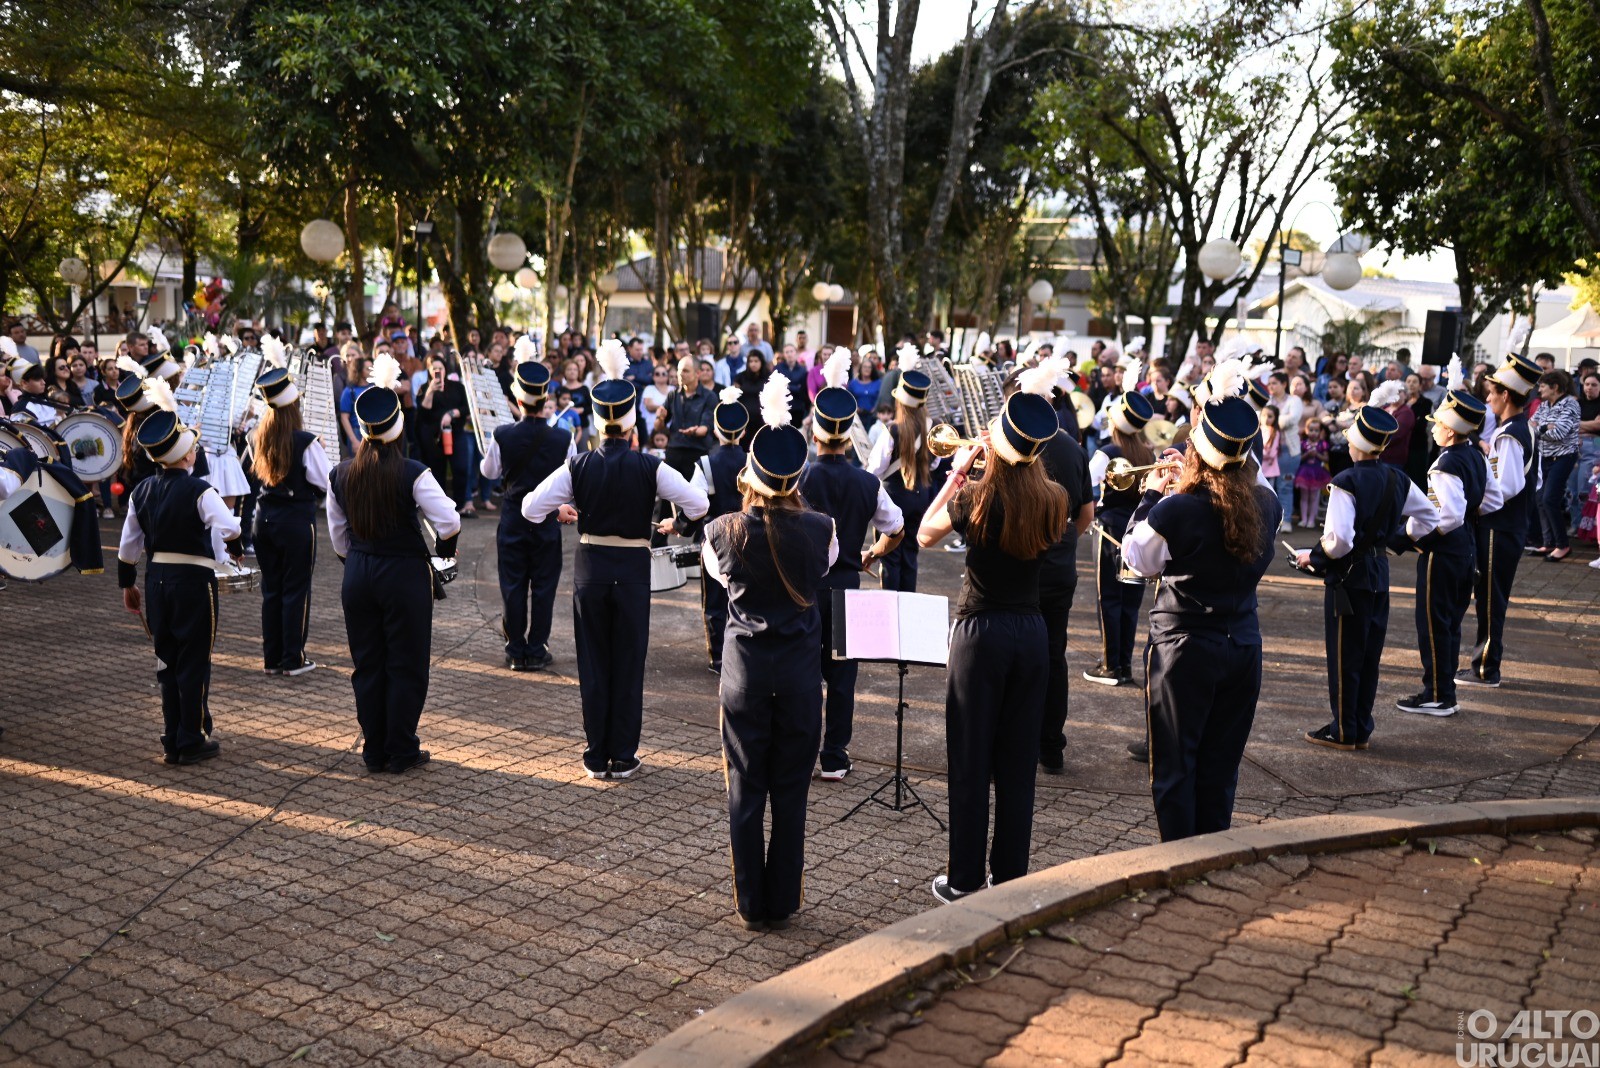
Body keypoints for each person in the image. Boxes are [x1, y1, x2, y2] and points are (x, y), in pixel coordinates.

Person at [523, 340, 709, 780]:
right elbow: (699, 504)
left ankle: (595, 755)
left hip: (590, 569)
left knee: (593, 662)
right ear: (630, 424)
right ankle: (623, 755)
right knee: (628, 663)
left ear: (597, 422)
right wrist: (678, 522)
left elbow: (531, 507)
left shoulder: (578, 465)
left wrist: (561, 510)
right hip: (632, 571)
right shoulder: (651, 467)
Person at [916, 388, 1067, 902]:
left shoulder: (975, 495)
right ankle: (1009, 881)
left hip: (980, 633)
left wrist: (961, 469)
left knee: (971, 760)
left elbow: (923, 535)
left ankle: (963, 881)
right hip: (1032, 634)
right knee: (1018, 763)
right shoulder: (1054, 498)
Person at [702, 375, 836, 931]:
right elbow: (823, 569)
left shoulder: (720, 530)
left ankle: (751, 904)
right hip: (801, 677)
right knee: (791, 791)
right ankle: (783, 901)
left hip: (745, 676)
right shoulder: (823, 528)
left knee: (746, 788)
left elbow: (721, 579)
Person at [1121, 383, 1280, 840]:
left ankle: (1177, 865)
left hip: (1185, 649)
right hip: (1243, 646)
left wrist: (1152, 495)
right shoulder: (1267, 505)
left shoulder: (1175, 509)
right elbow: (1256, 483)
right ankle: (1210, 861)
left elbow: (1137, 560)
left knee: (1174, 768)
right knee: (1220, 769)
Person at [326, 356, 462, 773]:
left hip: (359, 572)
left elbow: (337, 536)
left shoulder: (340, 473)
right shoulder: (413, 471)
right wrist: (445, 553)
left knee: (368, 663)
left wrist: (357, 560)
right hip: (403, 574)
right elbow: (450, 520)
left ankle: (374, 749)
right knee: (405, 662)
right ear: (397, 425)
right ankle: (401, 748)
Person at [1296, 406, 1438, 750]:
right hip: (1379, 573)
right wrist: (1394, 540)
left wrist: (1311, 556)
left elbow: (1339, 541)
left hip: (1349, 578)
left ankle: (1344, 730)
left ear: (1355, 442)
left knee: (1345, 656)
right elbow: (1430, 517)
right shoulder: (1397, 478)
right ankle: (1360, 726)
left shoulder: (1346, 481)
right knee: (1369, 655)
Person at [116, 399, 244, 765]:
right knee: (194, 658)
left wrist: (129, 584)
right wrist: (234, 548)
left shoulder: (140, 491)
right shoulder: (199, 491)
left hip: (155, 579)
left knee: (166, 657)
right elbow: (230, 525)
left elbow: (128, 546)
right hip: (192, 582)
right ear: (186, 457)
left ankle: (172, 733)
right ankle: (191, 735)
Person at [798, 349, 905, 781]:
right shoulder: (868, 482)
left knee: (803, 673)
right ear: (848, 434)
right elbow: (896, 527)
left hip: (803, 587)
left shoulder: (799, 477)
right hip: (847, 587)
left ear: (818, 431)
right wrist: (873, 553)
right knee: (842, 677)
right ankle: (835, 756)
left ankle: (802, 751)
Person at [1015, 360, 1094, 776]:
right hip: (1060, 557)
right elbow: (1086, 513)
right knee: (1053, 654)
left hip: (1020, 558)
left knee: (1014, 653)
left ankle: (1015, 743)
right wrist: (1063, 541)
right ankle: (1051, 746)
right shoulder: (1072, 447)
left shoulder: (1012, 441)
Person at [1397, 366, 1489, 716]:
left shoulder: (1445, 464)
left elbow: (1448, 516)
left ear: (1449, 431)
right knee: (1449, 622)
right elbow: (1488, 500)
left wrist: (1410, 537)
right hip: (1465, 548)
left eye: (1437, 423)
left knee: (1435, 624)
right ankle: (1443, 691)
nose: (1433, 427)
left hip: (1444, 553)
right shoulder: (1475, 456)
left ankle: (1436, 693)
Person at [481, 362, 574, 672]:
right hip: (546, 519)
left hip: (512, 518)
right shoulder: (563, 438)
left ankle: (515, 648)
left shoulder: (502, 434)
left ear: (518, 399)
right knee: (545, 587)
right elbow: (571, 479)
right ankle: (537, 648)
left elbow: (489, 472)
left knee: (513, 585)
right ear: (545, 397)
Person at [1465, 352, 1541, 687]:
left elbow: (1507, 487)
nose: (1488, 399)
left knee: (1491, 598)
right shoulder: (1520, 427)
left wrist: (1474, 503)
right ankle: (1484, 663)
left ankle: (1486, 668)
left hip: (1500, 526)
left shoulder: (1510, 434)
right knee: (1489, 596)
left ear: (1506, 395)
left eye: (1491, 394)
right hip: (1508, 525)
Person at [250, 367, 332, 677]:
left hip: (263, 519)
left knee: (272, 589)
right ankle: (292, 659)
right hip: (296, 521)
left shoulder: (259, 435)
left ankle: (272, 659)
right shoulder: (306, 441)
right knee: (296, 590)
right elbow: (325, 482)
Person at [668, 386, 752, 675]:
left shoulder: (705, 463)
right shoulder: (754, 461)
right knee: (746, 596)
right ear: (742, 432)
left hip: (715, 541)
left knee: (715, 601)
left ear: (716, 430)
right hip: (751, 537)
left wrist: (678, 526)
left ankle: (718, 658)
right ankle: (745, 651)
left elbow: (697, 505)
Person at [1083, 390, 1157, 686]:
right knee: (1130, 601)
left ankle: (1110, 665)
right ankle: (1124, 664)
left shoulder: (1107, 451)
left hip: (1111, 528)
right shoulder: (1147, 453)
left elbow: (1085, 481)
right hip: (1138, 530)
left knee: (1109, 599)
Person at [866, 370, 935, 591]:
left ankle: (890, 606)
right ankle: (908, 604)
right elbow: (933, 464)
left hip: (894, 499)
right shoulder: (931, 427)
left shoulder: (893, 429)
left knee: (890, 558)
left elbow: (875, 468)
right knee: (910, 556)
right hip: (920, 497)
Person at [1528, 370, 1580, 561]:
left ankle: (1562, 545)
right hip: (1546, 457)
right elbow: (1529, 426)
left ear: (1555, 387)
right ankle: (1548, 542)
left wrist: (1539, 428)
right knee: (1540, 499)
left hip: (1564, 457)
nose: (1539, 389)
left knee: (1550, 499)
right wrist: (1544, 427)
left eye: (1542, 386)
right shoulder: (1544, 405)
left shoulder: (1571, 404)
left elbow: (1559, 433)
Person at [416, 354, 473, 515]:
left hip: (456, 432)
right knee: (437, 472)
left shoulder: (457, 387)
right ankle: (440, 508)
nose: (437, 371)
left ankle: (459, 505)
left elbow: (466, 407)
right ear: (428, 370)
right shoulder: (424, 388)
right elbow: (423, 414)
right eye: (434, 369)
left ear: (445, 369)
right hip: (435, 437)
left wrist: (453, 413)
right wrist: (430, 392)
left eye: (440, 368)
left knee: (461, 468)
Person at [662, 356, 715, 479]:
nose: (680, 374)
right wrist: (660, 418)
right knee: (668, 496)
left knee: (698, 495)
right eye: (679, 370)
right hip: (674, 451)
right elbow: (659, 427)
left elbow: (705, 429)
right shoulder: (672, 395)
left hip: (697, 453)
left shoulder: (709, 396)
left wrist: (694, 431)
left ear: (697, 373)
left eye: (685, 371)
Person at [1293, 418, 1332, 528]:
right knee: (1304, 497)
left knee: (1314, 497)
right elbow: (1299, 458)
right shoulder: (1303, 444)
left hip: (1317, 472)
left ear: (1320, 432)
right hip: (1304, 472)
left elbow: (1326, 459)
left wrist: (1317, 455)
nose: (1313, 433)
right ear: (1306, 430)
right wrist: (1307, 455)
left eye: (1316, 430)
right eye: (1311, 430)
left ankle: (1311, 520)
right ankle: (1304, 519)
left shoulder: (1322, 444)